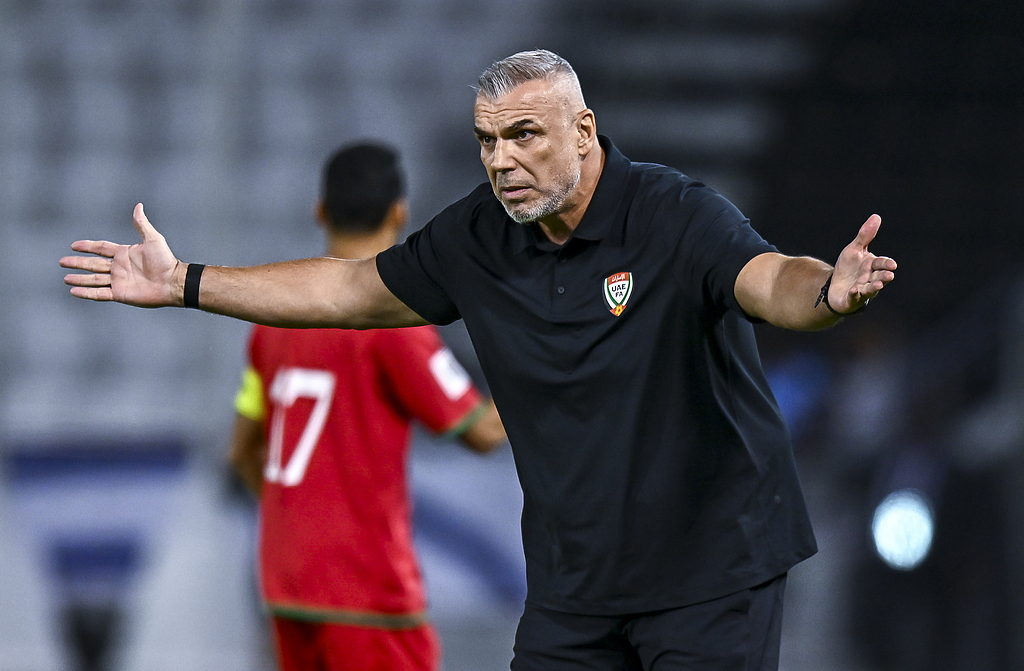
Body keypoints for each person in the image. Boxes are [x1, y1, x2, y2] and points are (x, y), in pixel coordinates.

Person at [62, 50, 897, 671]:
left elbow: (769, 280)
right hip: (575, 585)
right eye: (487, 140)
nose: (500, 159)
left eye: (523, 135)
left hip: (710, 568)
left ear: (583, 131)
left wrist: (829, 293)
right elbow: (348, 288)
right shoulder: (478, 236)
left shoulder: (674, 214)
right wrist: (184, 282)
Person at [226, 142, 506, 671]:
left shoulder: (270, 321)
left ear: (320, 212)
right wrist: (551, 375)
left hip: (286, 582)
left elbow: (242, 450)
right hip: (365, 588)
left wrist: (303, 516)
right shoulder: (393, 323)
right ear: (400, 212)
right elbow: (482, 432)